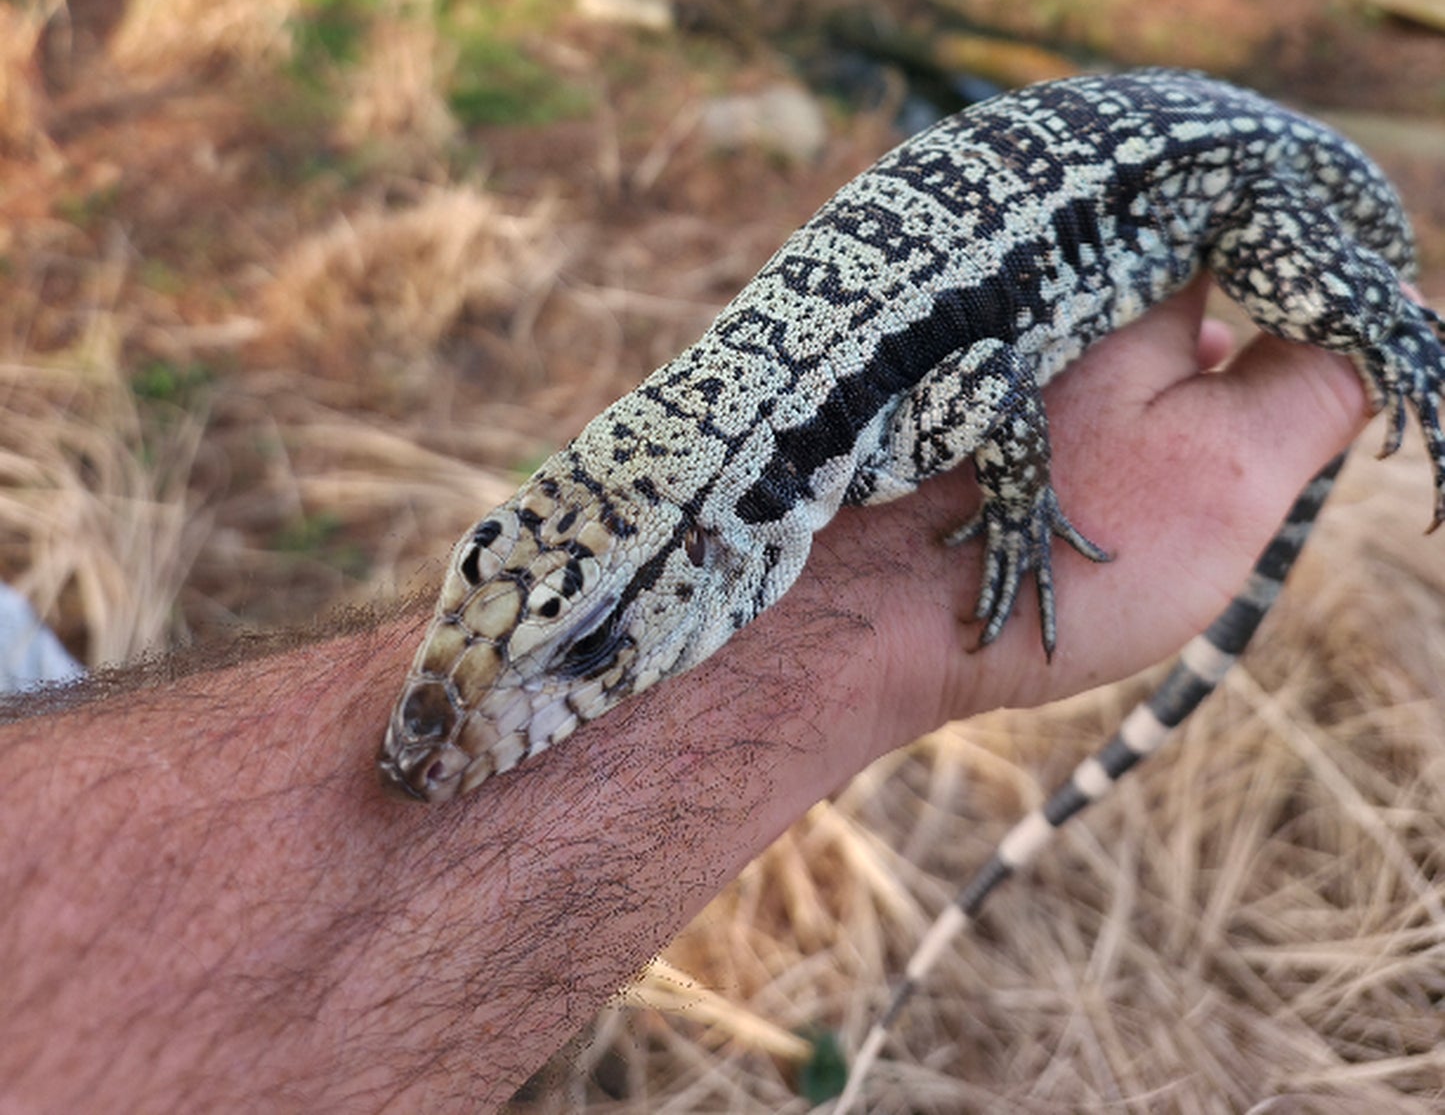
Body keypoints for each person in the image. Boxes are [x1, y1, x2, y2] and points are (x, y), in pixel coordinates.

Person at [0, 279, 1369, 1111]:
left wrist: (1022, 516)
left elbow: (1009, 404)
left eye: (590, 656)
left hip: (1191, 165)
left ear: (732, 556)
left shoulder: (878, 435)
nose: (459, 722)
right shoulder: (741, 473)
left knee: (1350, 329)